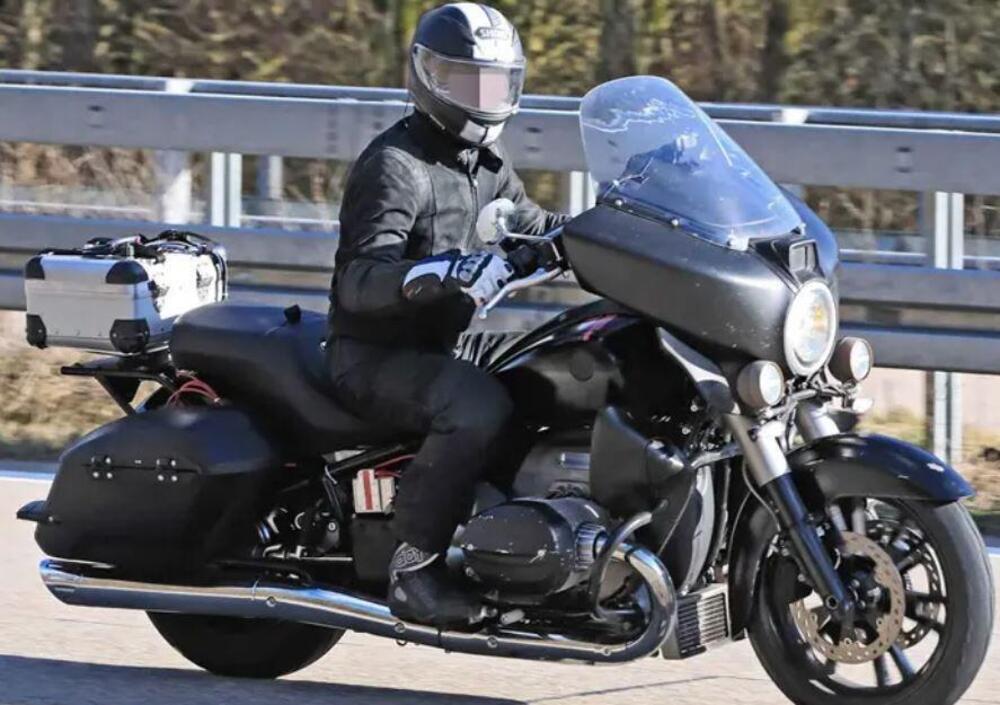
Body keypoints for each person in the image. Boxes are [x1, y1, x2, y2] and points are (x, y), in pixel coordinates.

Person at [327, 2, 568, 627]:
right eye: (467, 81)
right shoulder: (395, 166)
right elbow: (359, 281)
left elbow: (531, 224)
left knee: (562, 362)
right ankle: (414, 569)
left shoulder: (485, 164)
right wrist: (442, 273)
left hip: (447, 344)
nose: (484, 98)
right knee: (476, 407)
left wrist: (608, 228)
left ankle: (517, 539)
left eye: (495, 83)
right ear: (428, 76)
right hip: (374, 356)